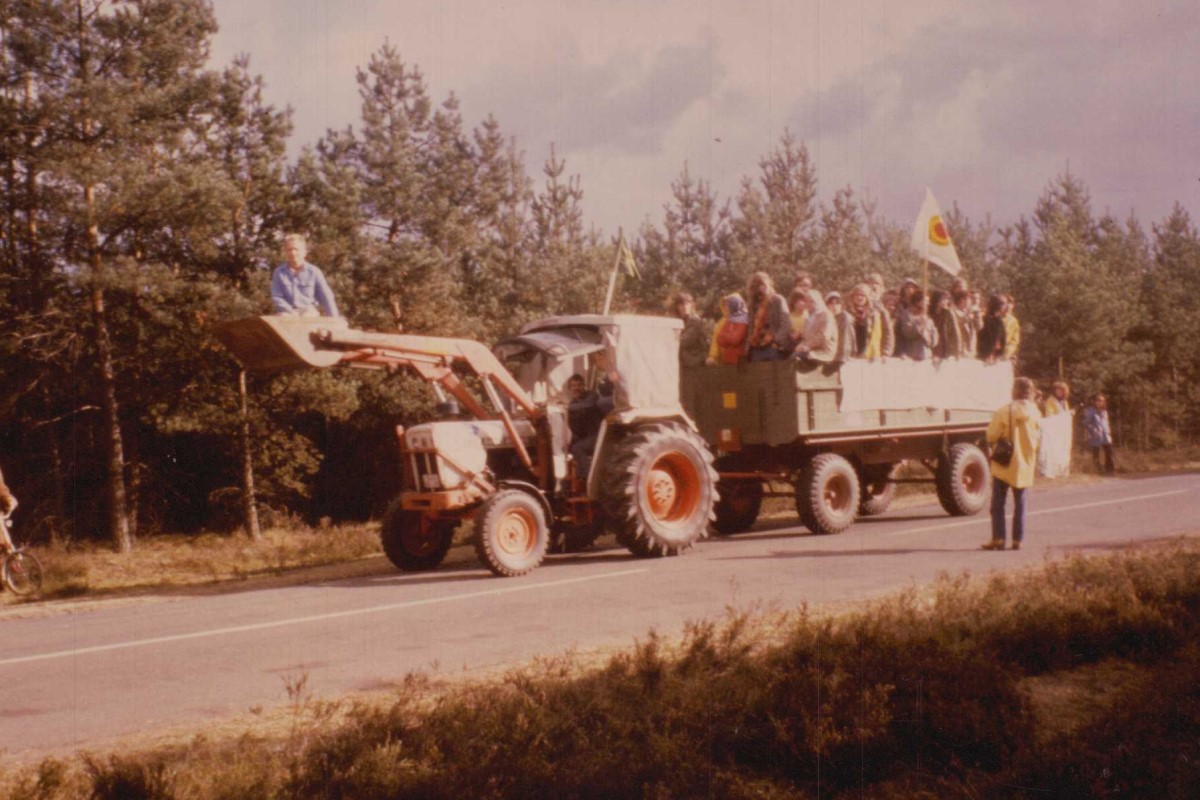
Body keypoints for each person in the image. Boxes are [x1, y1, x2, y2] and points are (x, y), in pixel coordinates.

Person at [982, 376, 1042, 550]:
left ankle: (999, 539)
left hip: (1004, 462)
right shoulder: (1035, 412)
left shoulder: (1003, 411)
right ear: (1030, 392)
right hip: (1025, 462)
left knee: (998, 503)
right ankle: (1018, 540)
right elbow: (1038, 436)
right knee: (1021, 503)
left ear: (1014, 391)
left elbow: (991, 435)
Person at [271, 234, 339, 317]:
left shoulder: (314, 272)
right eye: (289, 250)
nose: (293, 253)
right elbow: (277, 297)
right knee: (281, 319)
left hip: (308, 312)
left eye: (296, 249)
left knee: (309, 317)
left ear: (304, 252)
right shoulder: (279, 272)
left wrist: (334, 319)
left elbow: (326, 297)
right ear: (285, 252)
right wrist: (290, 311)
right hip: (287, 313)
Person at [566, 372, 614, 480]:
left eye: (579, 385)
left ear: (584, 386)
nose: (576, 388)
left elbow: (587, 405)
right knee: (571, 448)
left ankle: (591, 478)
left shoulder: (592, 396)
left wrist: (566, 408)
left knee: (577, 448)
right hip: (588, 438)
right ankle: (577, 481)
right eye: (573, 386)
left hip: (600, 436)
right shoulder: (573, 404)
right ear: (569, 388)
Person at [744, 271, 792, 361]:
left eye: (763, 283)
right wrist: (748, 345)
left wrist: (776, 342)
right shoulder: (753, 305)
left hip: (773, 346)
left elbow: (786, 324)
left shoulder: (778, 300)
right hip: (756, 347)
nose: (761, 287)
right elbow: (751, 327)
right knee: (758, 374)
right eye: (757, 285)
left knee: (774, 374)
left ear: (768, 283)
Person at [893, 288, 938, 360]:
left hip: (926, 356)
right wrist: (919, 323)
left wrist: (930, 338)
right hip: (911, 356)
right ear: (918, 301)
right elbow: (907, 333)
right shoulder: (906, 315)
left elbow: (934, 338)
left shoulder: (928, 318)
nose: (928, 304)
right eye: (926, 301)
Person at [793, 290, 837, 363]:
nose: (809, 304)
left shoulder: (826, 315)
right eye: (807, 302)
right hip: (811, 350)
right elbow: (805, 338)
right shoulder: (808, 317)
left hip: (824, 351)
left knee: (797, 357)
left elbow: (823, 336)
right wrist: (799, 347)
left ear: (818, 301)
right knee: (792, 357)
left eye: (812, 301)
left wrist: (807, 346)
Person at [847, 283, 886, 360]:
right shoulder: (847, 312)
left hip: (869, 355)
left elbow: (879, 335)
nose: (859, 297)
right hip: (850, 355)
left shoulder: (874, 315)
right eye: (857, 295)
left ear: (867, 298)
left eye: (862, 295)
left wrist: (883, 353)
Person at [708, 294, 749, 365]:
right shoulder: (726, 321)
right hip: (727, 359)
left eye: (728, 305)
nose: (726, 308)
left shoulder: (744, 318)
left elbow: (736, 339)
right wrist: (713, 355)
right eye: (725, 305)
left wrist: (726, 337)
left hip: (741, 360)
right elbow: (719, 339)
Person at [672, 291, 708, 368]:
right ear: (677, 306)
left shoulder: (695, 321)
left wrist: (668, 340)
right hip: (681, 361)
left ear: (691, 305)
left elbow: (685, 341)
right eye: (681, 304)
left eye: (687, 304)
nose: (685, 307)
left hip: (694, 360)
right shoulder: (676, 320)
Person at [865, 273, 896, 358]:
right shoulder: (857, 304)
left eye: (877, 283)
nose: (873, 286)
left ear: (882, 288)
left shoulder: (882, 310)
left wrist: (886, 352)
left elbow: (888, 333)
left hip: (876, 352)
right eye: (870, 283)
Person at [1084, 393, 1115, 474]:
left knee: (1109, 452)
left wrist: (1108, 432)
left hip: (1105, 435)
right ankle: (1098, 470)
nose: (1099, 402)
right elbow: (1086, 423)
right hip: (1096, 435)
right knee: (1096, 454)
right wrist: (1093, 430)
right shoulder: (1091, 411)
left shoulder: (1104, 412)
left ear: (1103, 402)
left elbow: (1106, 423)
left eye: (1101, 401)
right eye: (1097, 400)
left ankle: (1109, 470)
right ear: (1094, 401)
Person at [825, 291, 855, 364]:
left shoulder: (845, 318)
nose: (834, 306)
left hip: (841, 358)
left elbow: (846, 341)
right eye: (831, 303)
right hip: (829, 354)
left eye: (837, 303)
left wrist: (839, 358)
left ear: (841, 305)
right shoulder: (825, 317)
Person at [976, 294, 1007, 363]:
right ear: (997, 305)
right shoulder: (986, 319)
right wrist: (988, 354)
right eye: (1003, 304)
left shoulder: (999, 320)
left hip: (995, 357)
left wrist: (998, 354)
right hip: (985, 357)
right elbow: (985, 339)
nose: (1005, 307)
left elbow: (1002, 339)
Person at [1002, 294, 1021, 362]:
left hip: (1006, 355)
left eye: (1010, 304)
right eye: (1005, 304)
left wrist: (1008, 352)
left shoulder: (1014, 322)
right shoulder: (996, 318)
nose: (1007, 307)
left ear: (1013, 306)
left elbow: (1014, 341)